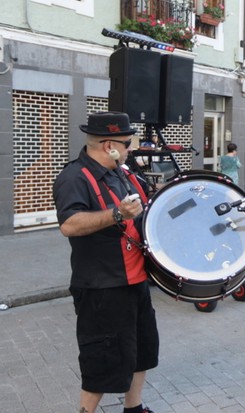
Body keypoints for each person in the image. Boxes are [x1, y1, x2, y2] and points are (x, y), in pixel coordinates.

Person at [52, 112, 158, 413]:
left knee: (141, 352)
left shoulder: (120, 172)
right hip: (102, 285)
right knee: (101, 361)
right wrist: (117, 214)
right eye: (127, 144)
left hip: (135, 280)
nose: (130, 149)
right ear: (109, 145)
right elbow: (69, 224)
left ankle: (133, 408)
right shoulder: (73, 177)